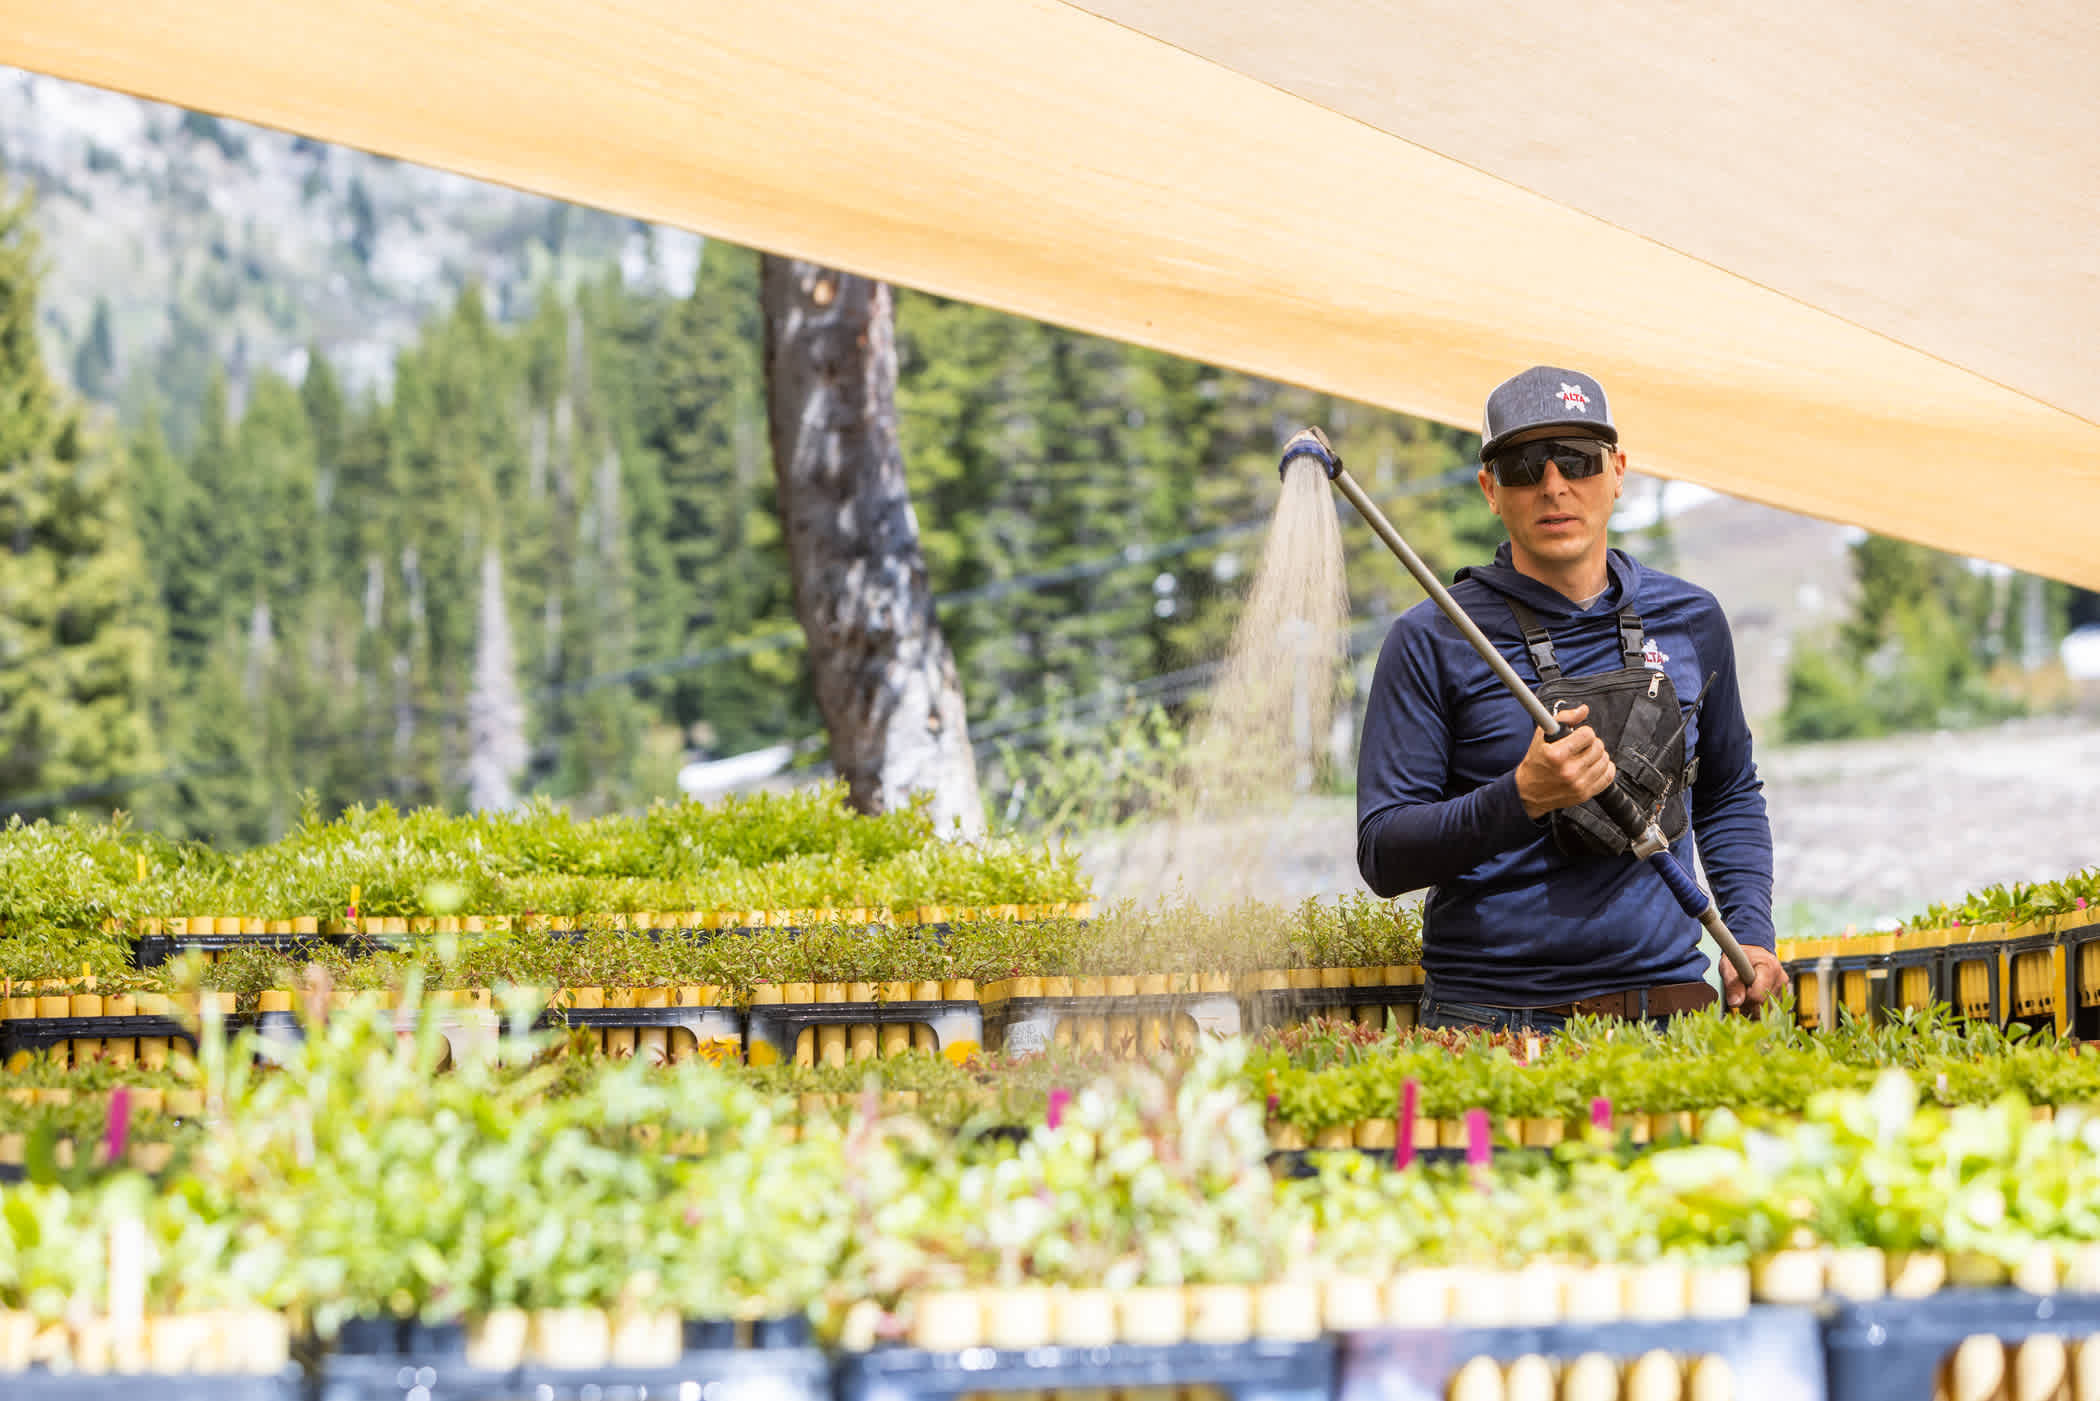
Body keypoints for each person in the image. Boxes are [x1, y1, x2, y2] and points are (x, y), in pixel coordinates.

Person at [1353, 365, 1788, 1032]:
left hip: (1671, 1020)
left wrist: (1750, 929)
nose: (1553, 485)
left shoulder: (1692, 621)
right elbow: (1383, 851)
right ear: (1490, 488)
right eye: (1525, 464)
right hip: (1488, 1025)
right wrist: (1521, 797)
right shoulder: (1432, 638)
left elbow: (1727, 789)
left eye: (1578, 459)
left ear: (1617, 471)